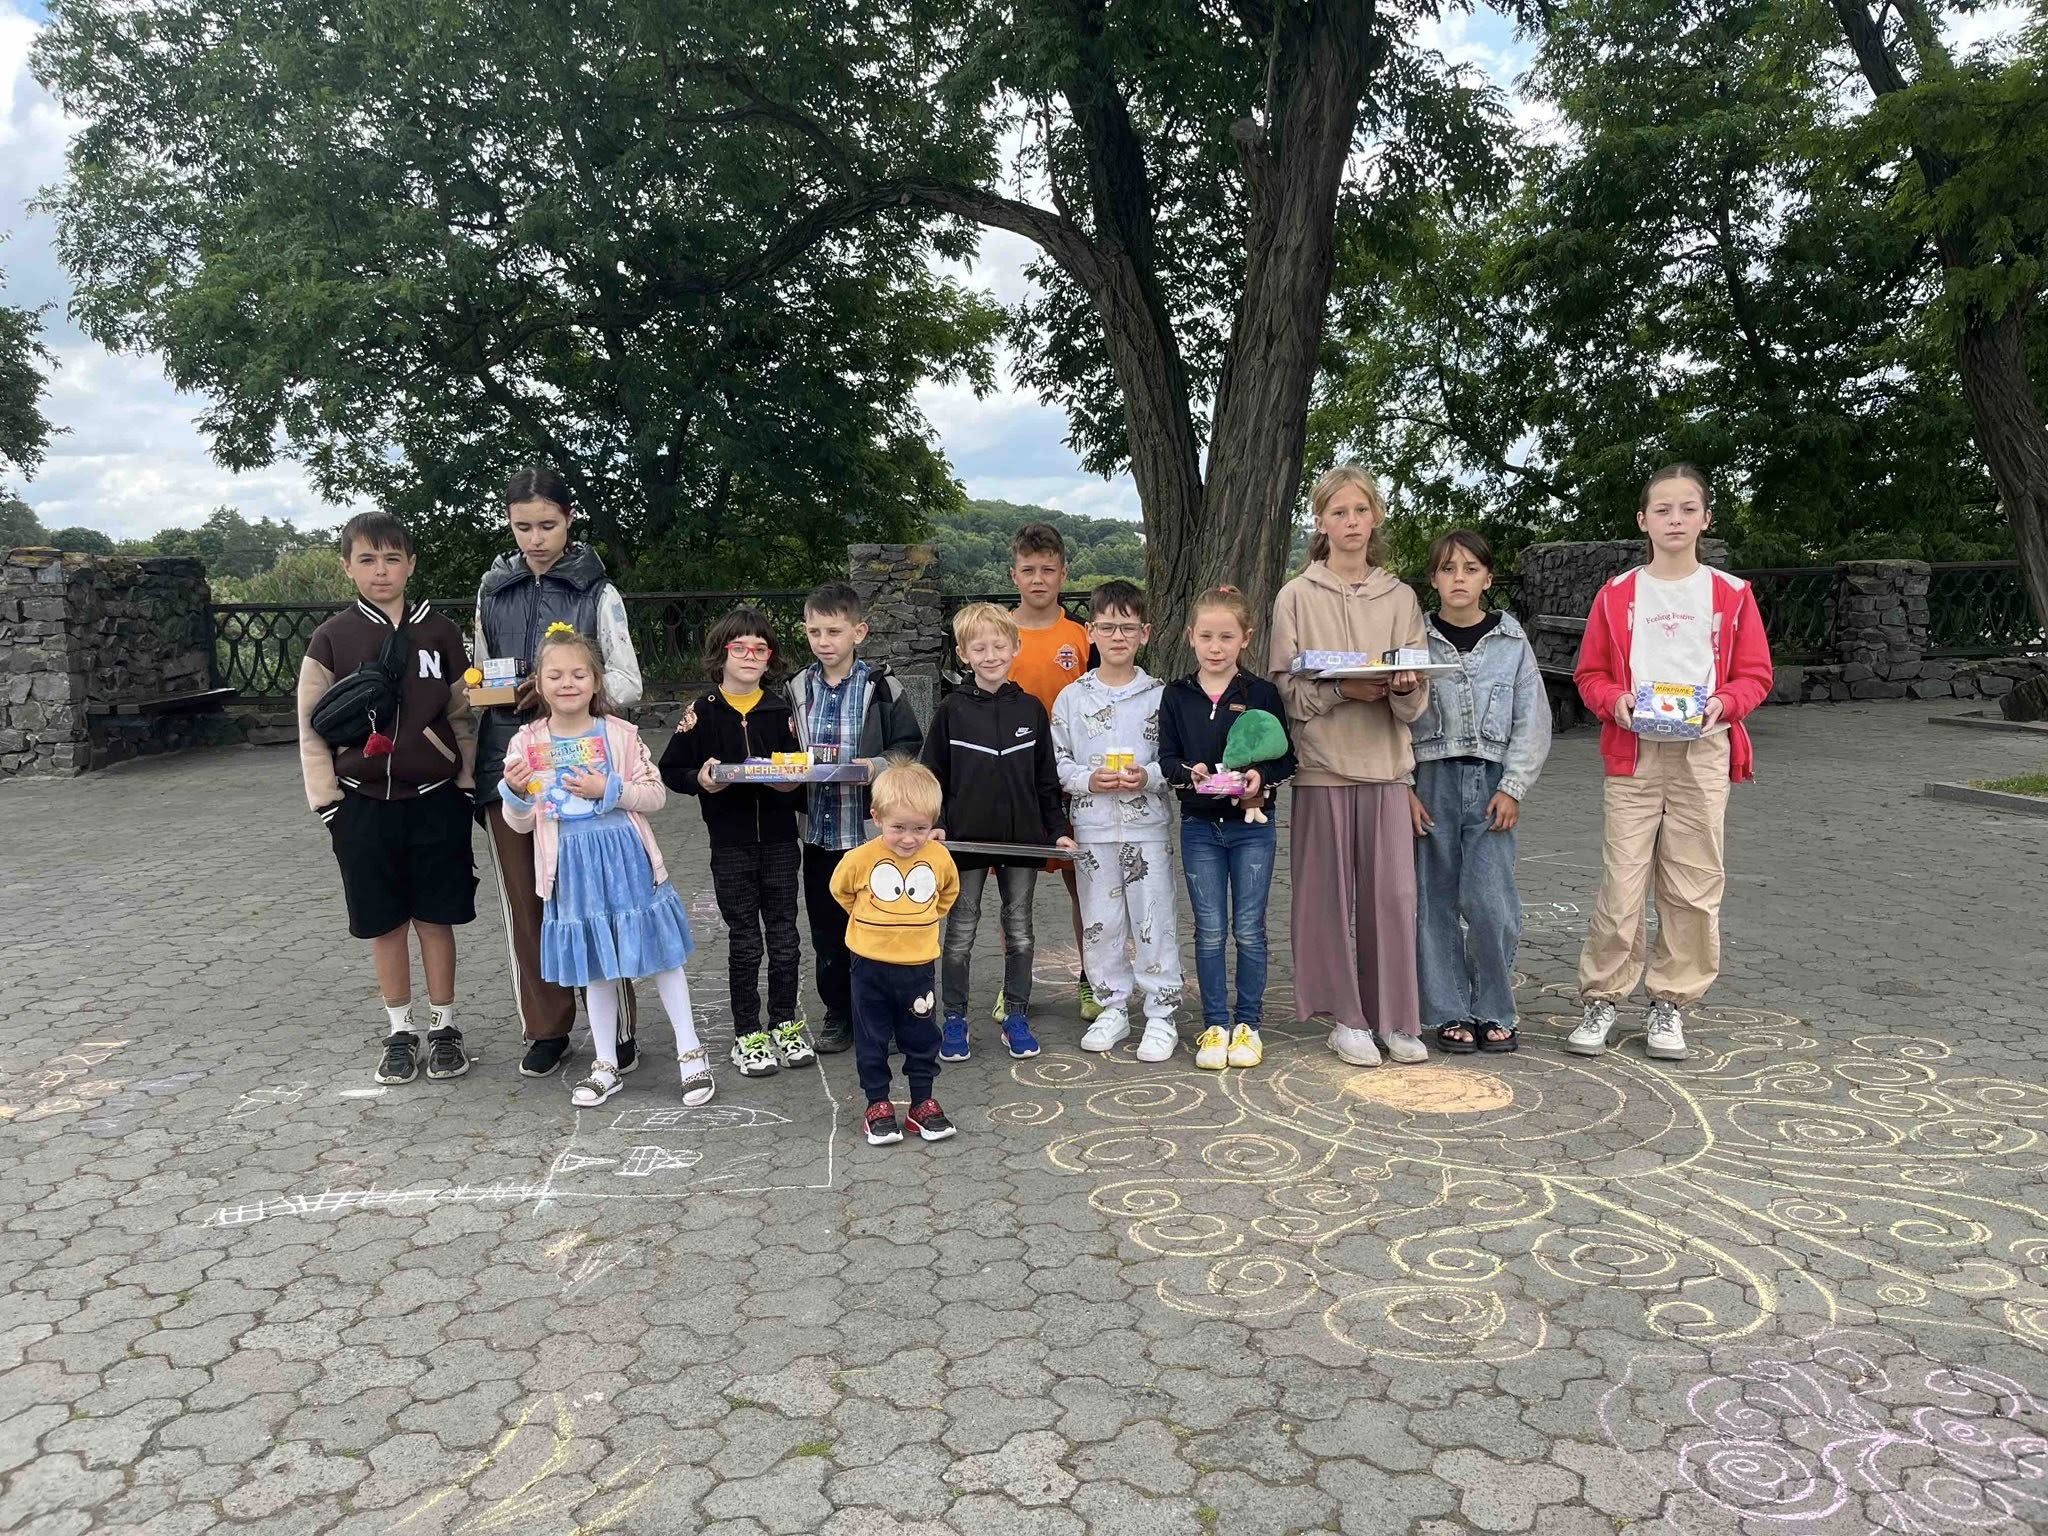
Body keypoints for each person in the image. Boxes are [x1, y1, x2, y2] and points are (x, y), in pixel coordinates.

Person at [1568, 464, 1773, 1061]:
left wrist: (1724, 704)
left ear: (1706, 519)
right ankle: (1603, 996)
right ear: (1644, 520)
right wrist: (1616, 702)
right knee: (1622, 880)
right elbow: (1590, 673)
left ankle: (1671, 1002)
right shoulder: (1617, 594)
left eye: (1687, 509)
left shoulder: (1731, 594)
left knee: (1694, 882)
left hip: (1703, 751)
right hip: (1632, 750)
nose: (1675, 520)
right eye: (1663, 509)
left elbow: (1756, 675)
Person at [473, 467, 644, 1080]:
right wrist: (492, 691)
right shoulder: (492, 590)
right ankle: (546, 1029)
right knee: (527, 906)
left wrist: (561, 691)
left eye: (547, 525)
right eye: (523, 527)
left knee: (596, 900)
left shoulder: (599, 591)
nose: (535, 539)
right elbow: (481, 674)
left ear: (569, 520)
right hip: (514, 766)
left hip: (585, 770)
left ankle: (616, 1030)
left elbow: (627, 681)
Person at [297, 511, 479, 1085]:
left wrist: (465, 784)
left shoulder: (440, 632)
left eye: (393, 558)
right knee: (384, 923)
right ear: (347, 567)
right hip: (362, 802)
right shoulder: (332, 637)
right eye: (368, 560)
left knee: (436, 918)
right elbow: (310, 727)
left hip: (435, 798)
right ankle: (400, 1031)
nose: (381, 571)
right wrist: (329, 803)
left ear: (411, 565)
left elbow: (462, 715)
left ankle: (444, 1026)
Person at [497, 624, 709, 1108]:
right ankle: (606, 1062)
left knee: (662, 955)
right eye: (555, 675)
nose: (567, 683)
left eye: (578, 674)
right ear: (538, 683)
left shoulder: (619, 734)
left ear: (596, 681)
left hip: (626, 859)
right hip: (571, 868)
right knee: (596, 965)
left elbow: (655, 796)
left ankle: (690, 1051)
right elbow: (521, 823)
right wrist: (514, 790)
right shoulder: (525, 744)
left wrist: (608, 788)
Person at [1270, 465, 1432, 1069]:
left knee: (1392, 898)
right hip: (1322, 768)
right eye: (1338, 512)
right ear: (1321, 522)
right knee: (1327, 900)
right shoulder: (1295, 595)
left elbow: (1417, 700)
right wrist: (1341, 691)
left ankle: (1397, 1017)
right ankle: (1347, 1019)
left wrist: (1403, 687)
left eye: (1360, 510)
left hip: (1386, 768)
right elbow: (1286, 690)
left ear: (1376, 516)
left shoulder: (1401, 597)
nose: (1351, 522)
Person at [1405, 531, 1551, 1055]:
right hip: (1432, 781)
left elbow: (1532, 719)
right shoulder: (1415, 641)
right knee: (1435, 900)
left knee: (1492, 902)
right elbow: (1395, 718)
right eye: (1448, 569)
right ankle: (1449, 1010)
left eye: (1470, 569)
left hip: (1491, 785)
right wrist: (1404, 786)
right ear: (1434, 579)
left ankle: (1494, 1007)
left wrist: (1513, 786)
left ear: (1488, 578)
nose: (1459, 578)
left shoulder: (1511, 641)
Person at [658, 607, 813, 1078]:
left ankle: (784, 1023)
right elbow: (671, 770)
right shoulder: (703, 710)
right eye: (739, 647)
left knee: (785, 937)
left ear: (771, 657)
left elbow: (800, 772)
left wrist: (793, 785)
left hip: (782, 841)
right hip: (730, 843)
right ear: (720, 654)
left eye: (760, 649)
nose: (750, 656)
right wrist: (702, 780)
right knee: (745, 940)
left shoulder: (780, 709)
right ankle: (748, 1033)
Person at [920, 602, 1075, 1062]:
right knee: (960, 932)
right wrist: (936, 824)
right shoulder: (951, 710)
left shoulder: (1031, 708)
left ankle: (1016, 1017)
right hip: (964, 842)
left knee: (1020, 930)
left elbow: (1046, 780)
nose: (990, 655)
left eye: (998, 645)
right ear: (963, 654)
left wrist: (1057, 830)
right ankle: (954, 1019)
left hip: (1021, 841)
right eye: (979, 648)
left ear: (1015, 647)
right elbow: (932, 775)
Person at [1157, 585, 1295, 1070]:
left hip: (1253, 827)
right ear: (1190, 636)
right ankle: (1215, 1024)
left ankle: (1248, 1024)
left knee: (1250, 930)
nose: (1215, 647)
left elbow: (1286, 758)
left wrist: (1261, 775)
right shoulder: (1177, 694)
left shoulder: (1261, 693)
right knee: (1210, 931)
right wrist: (1188, 772)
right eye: (1207, 637)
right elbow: (1166, 758)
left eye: (1227, 637)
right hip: (1199, 826)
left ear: (1246, 639)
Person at [789, 582, 924, 1056]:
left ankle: (888, 1013)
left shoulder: (882, 686)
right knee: (827, 931)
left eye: (834, 631)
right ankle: (839, 1013)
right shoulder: (797, 687)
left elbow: (910, 746)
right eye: (814, 632)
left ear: (858, 632)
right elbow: (783, 749)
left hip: (868, 835)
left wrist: (877, 766)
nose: (823, 641)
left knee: (881, 926)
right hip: (819, 834)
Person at [1052, 580, 1183, 1062]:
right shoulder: (1072, 698)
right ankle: (1111, 1006)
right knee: (1100, 923)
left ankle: (1162, 1012)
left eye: (1128, 627)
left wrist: (1147, 775)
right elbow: (1057, 762)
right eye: (1107, 627)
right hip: (1093, 829)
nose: (1118, 637)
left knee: (1154, 919)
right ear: (1090, 631)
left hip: (1147, 828)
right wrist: (1088, 780)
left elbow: (1175, 760)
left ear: (1144, 632)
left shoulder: (1161, 696)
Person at [830, 762, 962, 1146]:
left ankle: (922, 1103)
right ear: (877, 818)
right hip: (868, 965)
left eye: (920, 828)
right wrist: (870, 922)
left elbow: (948, 893)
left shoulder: (938, 857)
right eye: (898, 827)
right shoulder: (859, 859)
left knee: (921, 1035)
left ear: (933, 822)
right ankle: (877, 1104)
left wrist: (922, 921)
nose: (908, 839)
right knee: (871, 1036)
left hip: (918, 966)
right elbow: (841, 891)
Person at [1006, 522, 1100, 1023]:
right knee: (1013, 891)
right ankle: (1013, 985)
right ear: (1014, 575)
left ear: (1064, 574)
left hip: (1069, 778)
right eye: (1028, 570)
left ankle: (1092, 977)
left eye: (1048, 569)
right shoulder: (1000, 634)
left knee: (1084, 885)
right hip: (1013, 780)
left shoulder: (1082, 636)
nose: (1038, 579)